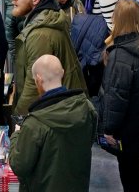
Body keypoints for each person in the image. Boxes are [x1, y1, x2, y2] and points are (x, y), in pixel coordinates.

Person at [8, 55, 97, 192]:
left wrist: (16, 135)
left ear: (38, 79)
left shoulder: (34, 124)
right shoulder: (87, 108)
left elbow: (19, 166)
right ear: (62, 73)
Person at [99, 0, 139, 192]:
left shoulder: (120, 57)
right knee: (133, 164)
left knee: (128, 169)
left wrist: (108, 129)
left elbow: (115, 98)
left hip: (125, 128)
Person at [10, 0, 86, 115]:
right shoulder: (42, 21)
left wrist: (19, 116)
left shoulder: (40, 34)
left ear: (35, 0)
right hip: (61, 106)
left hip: (56, 111)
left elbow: (35, 83)